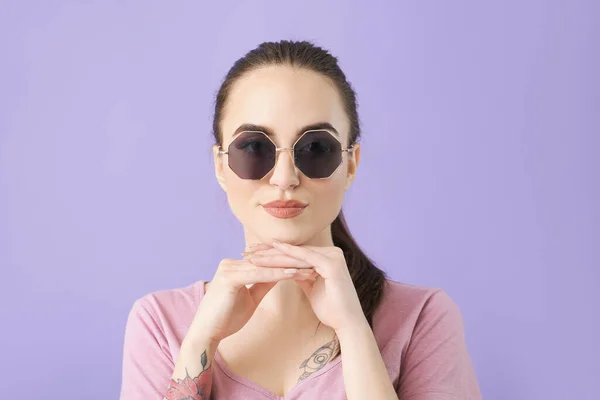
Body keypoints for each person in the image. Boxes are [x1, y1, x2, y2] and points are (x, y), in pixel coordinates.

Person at [119, 40, 482, 400]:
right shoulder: (159, 322)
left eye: (316, 148)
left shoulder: (421, 318)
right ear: (220, 165)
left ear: (350, 164)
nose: (284, 178)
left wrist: (354, 331)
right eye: (254, 147)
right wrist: (200, 341)